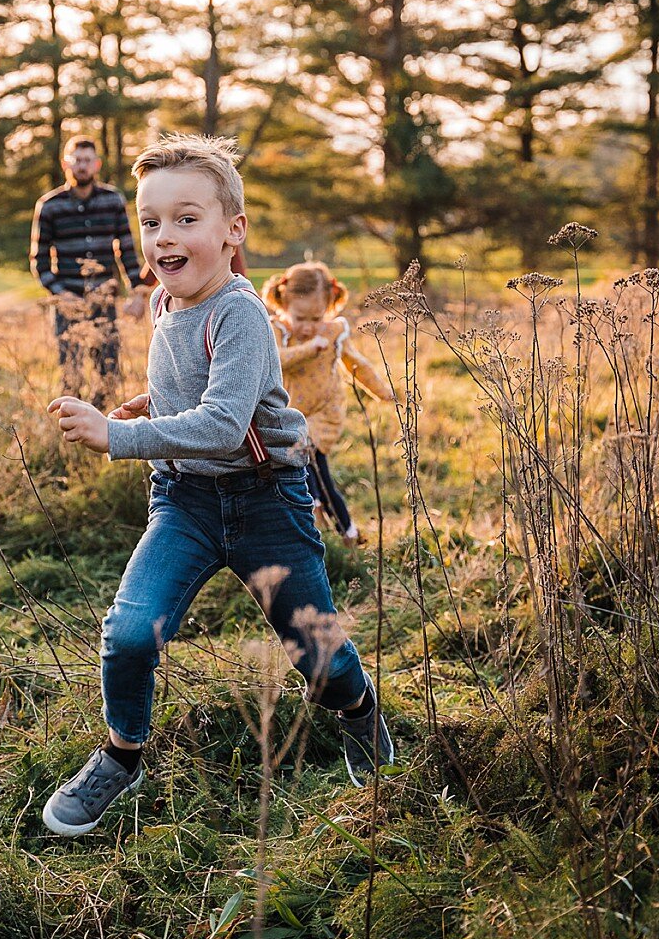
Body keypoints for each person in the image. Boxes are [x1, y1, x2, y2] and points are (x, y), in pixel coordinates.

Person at [42, 134, 395, 836]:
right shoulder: (168, 304)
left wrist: (118, 438)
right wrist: (151, 402)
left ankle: (358, 712)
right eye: (150, 222)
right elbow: (190, 386)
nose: (163, 238)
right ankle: (121, 754)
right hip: (185, 503)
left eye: (186, 219)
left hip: (267, 501)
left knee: (316, 653)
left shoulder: (242, 313)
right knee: (130, 633)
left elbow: (227, 425)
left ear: (233, 231)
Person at [262, 262, 393, 541]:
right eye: (301, 318)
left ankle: (318, 514)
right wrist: (308, 349)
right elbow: (274, 362)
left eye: (316, 318)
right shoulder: (278, 332)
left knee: (307, 463)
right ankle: (346, 531)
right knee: (316, 473)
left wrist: (384, 391)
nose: (309, 327)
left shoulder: (333, 333)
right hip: (290, 415)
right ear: (284, 303)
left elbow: (356, 364)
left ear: (329, 307)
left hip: (324, 413)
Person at [30, 136, 149, 408]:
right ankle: (71, 434)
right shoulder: (49, 206)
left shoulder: (113, 201)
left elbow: (128, 251)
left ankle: (101, 430)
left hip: (104, 300)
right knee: (71, 375)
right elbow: (38, 261)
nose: (82, 166)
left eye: (87, 161)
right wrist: (61, 294)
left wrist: (138, 293)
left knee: (108, 372)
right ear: (66, 164)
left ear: (96, 165)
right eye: (77, 160)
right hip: (68, 304)